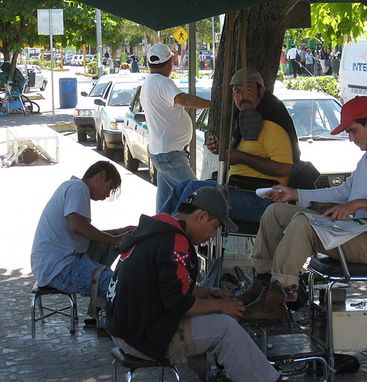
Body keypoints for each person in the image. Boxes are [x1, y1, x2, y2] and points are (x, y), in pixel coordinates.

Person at [241, 96, 367, 321]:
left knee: (303, 224)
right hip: (353, 230)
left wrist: (358, 204)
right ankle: (261, 283)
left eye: (353, 131)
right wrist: (296, 193)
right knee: (275, 212)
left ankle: (278, 297)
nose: (351, 138)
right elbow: (343, 192)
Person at [106, 187, 284, 382]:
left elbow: (160, 288)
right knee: (225, 327)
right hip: (140, 339)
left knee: (212, 315)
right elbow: (177, 303)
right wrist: (221, 306)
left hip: (123, 329)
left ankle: (213, 375)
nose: (212, 235)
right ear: (202, 217)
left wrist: (206, 292)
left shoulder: (158, 229)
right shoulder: (176, 241)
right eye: (215, 227)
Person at [159, 68, 300, 224]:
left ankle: (170, 233)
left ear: (261, 91)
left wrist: (241, 157)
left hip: (263, 200)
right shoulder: (245, 121)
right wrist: (223, 151)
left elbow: (285, 168)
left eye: (248, 90)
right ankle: (155, 229)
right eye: (238, 92)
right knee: (182, 187)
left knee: (194, 191)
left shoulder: (272, 125)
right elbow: (242, 157)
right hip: (238, 187)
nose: (243, 97)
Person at [31, 161, 134, 311]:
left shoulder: (73, 187)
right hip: (59, 267)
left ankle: (102, 310)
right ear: (101, 176)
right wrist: (115, 239)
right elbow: (77, 226)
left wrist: (120, 232)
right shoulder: (78, 188)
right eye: (110, 187)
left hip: (53, 262)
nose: (107, 195)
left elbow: (84, 232)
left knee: (111, 245)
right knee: (116, 284)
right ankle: (113, 320)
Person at [140, 44, 212, 211]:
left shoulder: (149, 83)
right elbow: (183, 100)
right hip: (169, 154)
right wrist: (212, 104)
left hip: (163, 152)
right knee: (197, 194)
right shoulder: (162, 82)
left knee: (165, 207)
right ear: (170, 62)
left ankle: (159, 232)